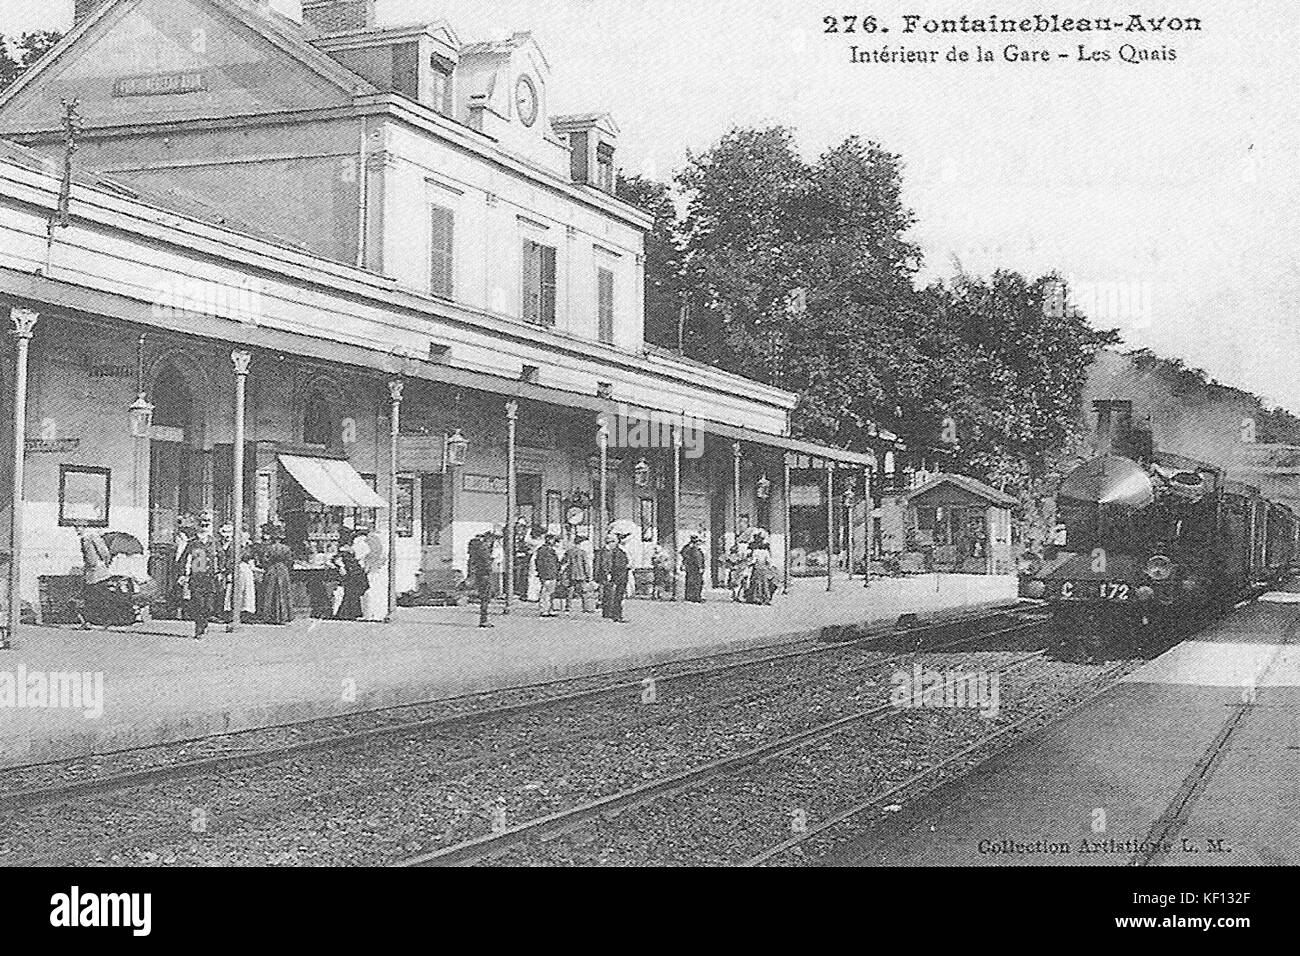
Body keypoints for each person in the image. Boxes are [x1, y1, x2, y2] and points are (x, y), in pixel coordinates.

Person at [178, 514, 219, 639]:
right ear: (197, 526)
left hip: (211, 577)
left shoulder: (214, 542)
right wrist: (183, 574)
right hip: (197, 577)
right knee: (198, 604)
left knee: (209, 606)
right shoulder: (192, 543)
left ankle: (204, 623)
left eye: (207, 524)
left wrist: (221, 571)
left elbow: (221, 557)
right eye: (202, 524)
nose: (204, 527)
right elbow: (183, 559)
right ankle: (199, 628)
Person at [257, 523, 294, 625]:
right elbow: (290, 561)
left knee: (270, 592)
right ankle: (284, 615)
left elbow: (264, 560)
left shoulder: (269, 548)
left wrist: (267, 566)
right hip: (283, 570)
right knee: (283, 592)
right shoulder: (286, 548)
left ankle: (270, 615)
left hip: (272, 570)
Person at [333, 531, 369, 620]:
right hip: (354, 573)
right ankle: (349, 613)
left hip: (353, 573)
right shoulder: (347, 551)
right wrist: (342, 567)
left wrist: (342, 567)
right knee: (352, 593)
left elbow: (337, 560)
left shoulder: (347, 551)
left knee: (351, 593)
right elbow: (338, 560)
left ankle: (348, 613)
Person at [467, 528, 498, 627]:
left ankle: (483, 619)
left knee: (484, 597)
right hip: (484, 574)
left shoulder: (475, 550)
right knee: (485, 597)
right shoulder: (483, 549)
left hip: (479, 573)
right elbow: (486, 562)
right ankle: (483, 619)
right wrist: (490, 564)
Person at [602, 532, 631, 622]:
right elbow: (611, 564)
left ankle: (616, 615)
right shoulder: (615, 552)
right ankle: (616, 615)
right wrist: (608, 574)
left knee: (618, 596)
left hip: (621, 576)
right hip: (617, 576)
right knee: (616, 596)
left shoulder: (619, 551)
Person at [565, 534, 594, 613]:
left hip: (571, 574)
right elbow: (586, 564)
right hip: (581, 574)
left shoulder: (569, 552)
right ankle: (586, 607)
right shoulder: (582, 552)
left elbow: (564, 563)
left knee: (570, 591)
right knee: (584, 591)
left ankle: (568, 607)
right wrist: (588, 575)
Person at [745, 530, 776, 605]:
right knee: (764, 583)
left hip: (757, 568)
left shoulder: (755, 551)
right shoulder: (766, 552)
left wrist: (749, 564)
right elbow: (769, 561)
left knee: (756, 583)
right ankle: (765, 598)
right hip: (764, 568)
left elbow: (753, 560)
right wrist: (770, 567)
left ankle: (755, 598)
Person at [535, 533, 561, 617]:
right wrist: (541, 573)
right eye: (553, 539)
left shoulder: (551, 550)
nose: (555, 541)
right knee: (546, 592)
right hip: (546, 574)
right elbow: (540, 563)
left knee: (551, 592)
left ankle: (549, 609)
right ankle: (544, 610)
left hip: (552, 573)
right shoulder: (543, 550)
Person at [681, 533, 707, 603]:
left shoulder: (696, 549)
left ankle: (695, 596)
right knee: (694, 582)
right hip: (693, 568)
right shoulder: (691, 549)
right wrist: (700, 567)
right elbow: (697, 559)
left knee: (696, 582)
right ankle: (693, 597)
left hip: (693, 568)